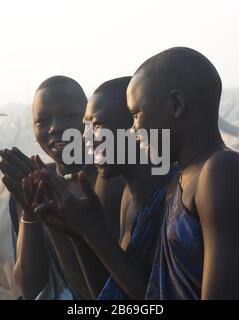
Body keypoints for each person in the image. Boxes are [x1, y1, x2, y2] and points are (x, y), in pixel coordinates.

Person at [125, 47, 239, 299]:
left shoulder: (222, 172)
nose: (133, 130)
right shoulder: (181, 177)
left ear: (176, 104)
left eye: (136, 115)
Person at [28, 77, 177, 299]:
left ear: (135, 127)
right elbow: (108, 295)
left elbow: (151, 299)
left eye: (96, 126)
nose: (85, 137)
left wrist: (91, 231)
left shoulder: (175, 195)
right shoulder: (132, 195)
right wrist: (76, 234)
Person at [0, 75, 125, 299]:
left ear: (91, 122)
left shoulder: (113, 181)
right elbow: (30, 289)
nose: (55, 128)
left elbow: (102, 290)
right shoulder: (30, 186)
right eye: (42, 121)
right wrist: (30, 211)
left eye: (70, 116)